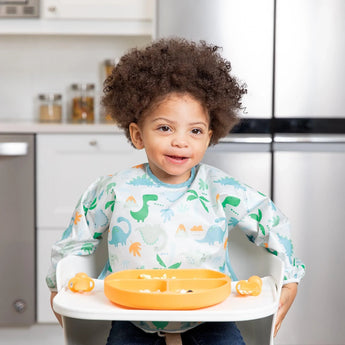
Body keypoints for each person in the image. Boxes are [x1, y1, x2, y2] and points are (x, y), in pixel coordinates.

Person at [47, 38, 305, 345]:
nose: (180, 141)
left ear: (209, 136)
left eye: (194, 131)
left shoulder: (221, 189)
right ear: (137, 134)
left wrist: (289, 278)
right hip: (133, 315)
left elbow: (272, 222)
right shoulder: (113, 189)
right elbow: (76, 239)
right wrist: (59, 284)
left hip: (211, 315)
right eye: (165, 128)